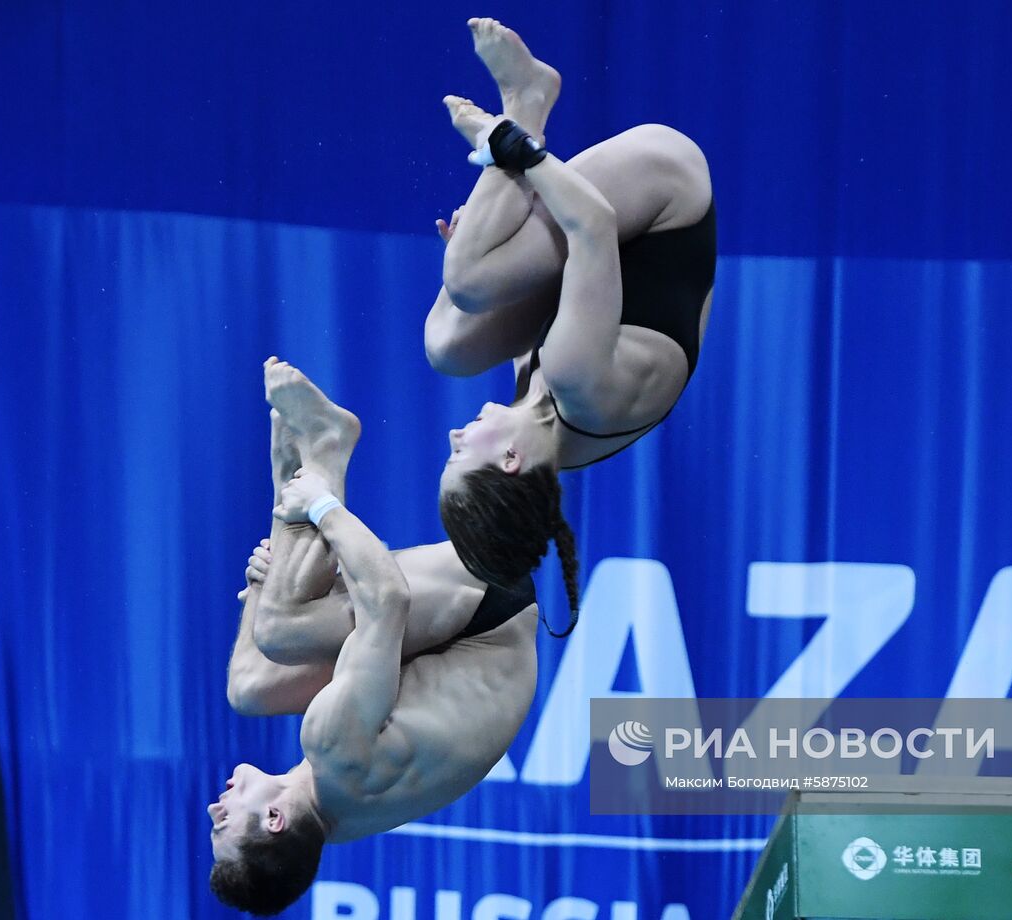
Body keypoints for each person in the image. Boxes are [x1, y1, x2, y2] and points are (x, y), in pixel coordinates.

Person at [210, 358, 538, 916]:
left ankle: (294, 474)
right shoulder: (333, 749)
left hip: (464, 642)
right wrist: (319, 503)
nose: (214, 812)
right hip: (487, 607)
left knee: (248, 686)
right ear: (273, 820)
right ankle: (322, 450)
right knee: (283, 627)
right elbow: (388, 600)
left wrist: (262, 584)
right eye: (224, 827)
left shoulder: (326, 823)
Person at [426, 19, 716, 635]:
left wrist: (507, 251)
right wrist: (500, 138)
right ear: (508, 460)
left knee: (447, 346)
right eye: (458, 454)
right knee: (470, 278)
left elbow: (563, 297)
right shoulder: (576, 383)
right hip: (665, 193)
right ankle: (528, 99)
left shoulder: (544, 433)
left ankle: (488, 239)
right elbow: (593, 223)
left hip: (615, 259)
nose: (453, 433)